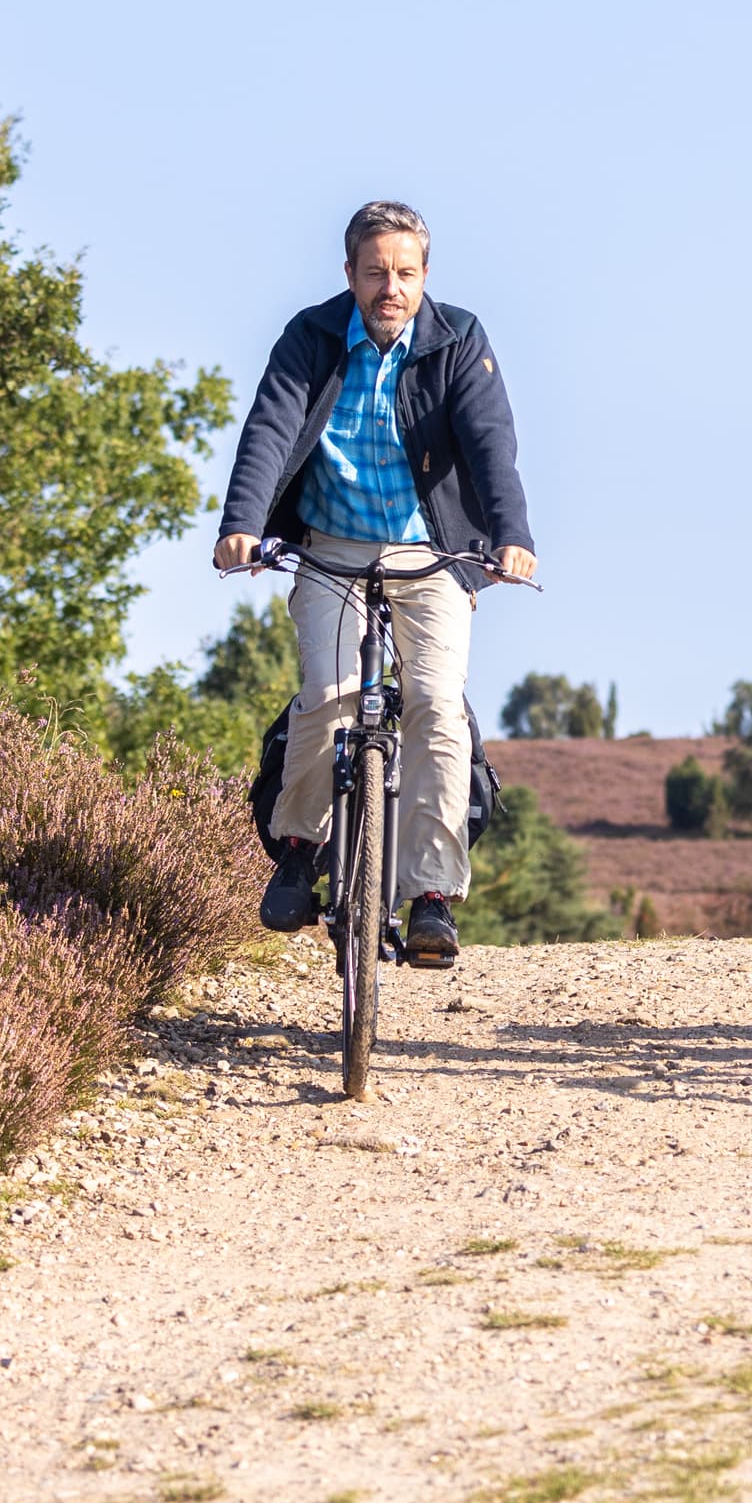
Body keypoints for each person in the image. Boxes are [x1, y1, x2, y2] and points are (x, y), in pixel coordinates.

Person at [213, 200, 538, 970]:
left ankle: (431, 897)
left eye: (405, 272)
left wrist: (513, 538)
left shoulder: (459, 339)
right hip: (330, 546)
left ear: (425, 275)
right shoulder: (313, 336)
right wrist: (242, 524)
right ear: (350, 274)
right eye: (375, 271)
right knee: (326, 697)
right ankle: (298, 851)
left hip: (430, 552)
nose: (390, 287)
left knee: (434, 703)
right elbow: (270, 427)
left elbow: (491, 444)